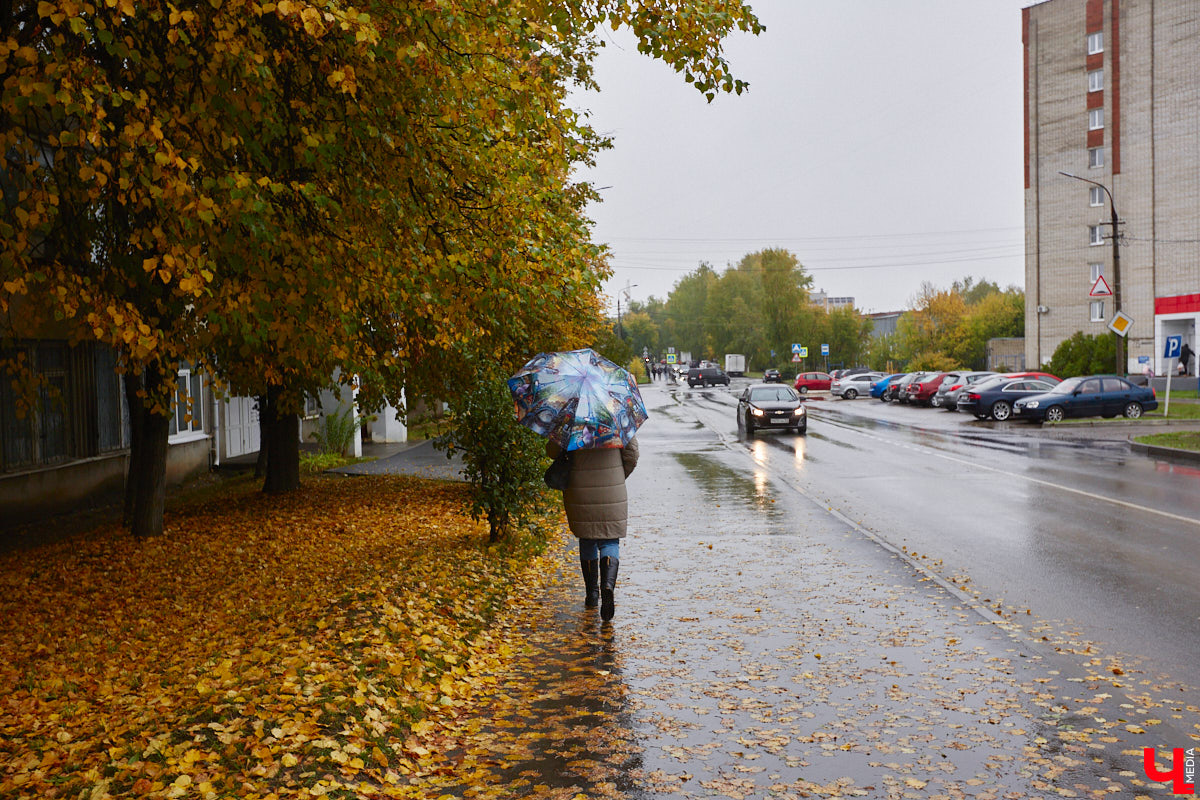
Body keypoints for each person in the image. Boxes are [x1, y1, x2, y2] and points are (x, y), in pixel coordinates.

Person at [547, 436, 639, 621]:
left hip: (579, 486)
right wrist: (618, 475)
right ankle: (607, 586)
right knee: (610, 540)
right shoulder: (616, 423)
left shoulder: (570, 424)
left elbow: (552, 451)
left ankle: (592, 594)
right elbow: (632, 455)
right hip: (612, 488)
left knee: (587, 537)